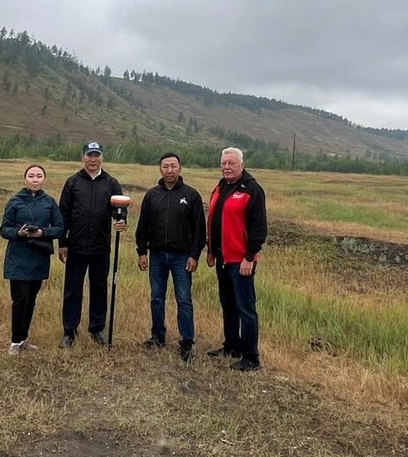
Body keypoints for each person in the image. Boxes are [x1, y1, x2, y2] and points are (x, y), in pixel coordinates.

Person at [136, 153, 206, 362]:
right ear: (160, 169)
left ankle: (187, 342)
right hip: (157, 256)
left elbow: (199, 229)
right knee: (157, 297)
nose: (169, 170)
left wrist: (194, 255)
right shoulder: (152, 195)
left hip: (181, 257)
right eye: (165, 166)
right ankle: (158, 336)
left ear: (180, 168)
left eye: (173, 166)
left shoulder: (191, 195)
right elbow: (143, 226)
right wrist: (142, 252)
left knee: (184, 299)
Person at [57, 141, 125, 347]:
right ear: (83, 157)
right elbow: (63, 214)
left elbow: (120, 210)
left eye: (96, 155)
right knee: (72, 290)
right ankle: (70, 331)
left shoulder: (111, 183)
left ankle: (96, 329)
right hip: (76, 246)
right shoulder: (73, 182)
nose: (93, 159)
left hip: (100, 246)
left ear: (101, 158)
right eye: (89, 155)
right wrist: (62, 242)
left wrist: (121, 219)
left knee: (99, 289)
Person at [206, 147, 267, 372]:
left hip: (241, 260)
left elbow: (259, 228)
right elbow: (215, 220)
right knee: (228, 305)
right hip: (222, 257)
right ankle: (231, 346)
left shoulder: (252, 189)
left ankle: (251, 357)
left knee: (245, 308)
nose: (226, 167)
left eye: (231, 163)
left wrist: (249, 257)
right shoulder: (221, 186)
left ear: (242, 165)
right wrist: (211, 250)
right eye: (223, 163)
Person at [0, 164, 64, 356]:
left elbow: (59, 227)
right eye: (31, 176)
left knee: (31, 300)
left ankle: (24, 339)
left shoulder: (49, 202)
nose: (35, 179)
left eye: (39, 176)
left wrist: (44, 232)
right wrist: (18, 233)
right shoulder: (15, 201)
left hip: (39, 256)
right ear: (25, 179)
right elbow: (4, 229)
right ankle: (15, 341)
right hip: (18, 257)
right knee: (20, 299)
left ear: (44, 179)